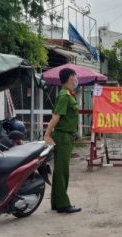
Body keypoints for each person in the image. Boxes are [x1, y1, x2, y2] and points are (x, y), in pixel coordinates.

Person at [44, 68, 81, 214]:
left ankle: (57, 203)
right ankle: (63, 204)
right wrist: (47, 135)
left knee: (60, 170)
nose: (76, 80)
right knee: (61, 171)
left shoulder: (68, 95)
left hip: (67, 135)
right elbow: (56, 117)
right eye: (75, 77)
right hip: (63, 136)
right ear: (70, 77)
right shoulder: (64, 96)